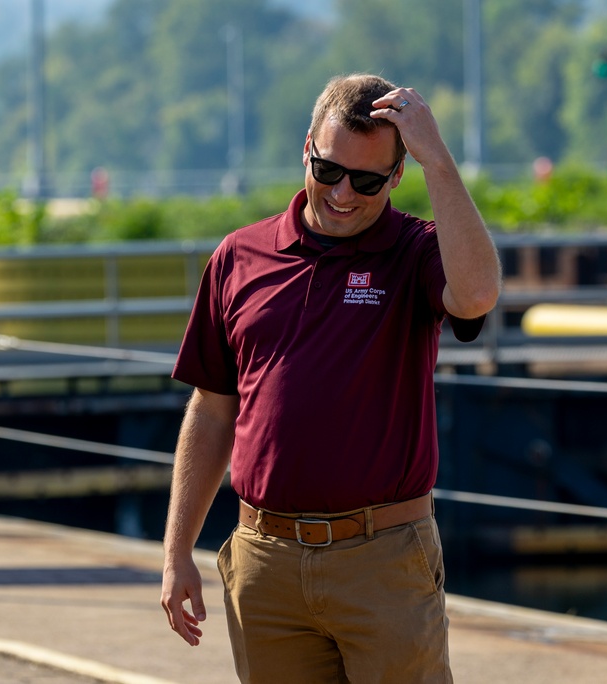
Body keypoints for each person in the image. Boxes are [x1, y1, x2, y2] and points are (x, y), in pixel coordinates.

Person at [160, 74, 502, 683]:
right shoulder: (238, 256)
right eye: (329, 171)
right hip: (265, 560)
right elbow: (212, 410)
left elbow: (476, 294)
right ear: (307, 150)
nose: (344, 192)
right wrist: (176, 551)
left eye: (368, 180)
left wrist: (437, 157)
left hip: (384, 561)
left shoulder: (416, 250)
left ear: (397, 176)